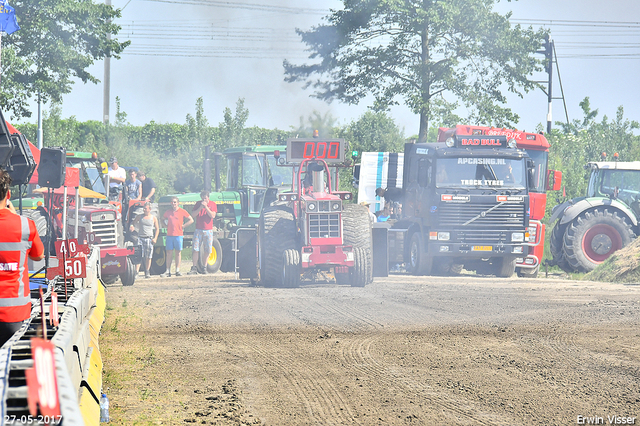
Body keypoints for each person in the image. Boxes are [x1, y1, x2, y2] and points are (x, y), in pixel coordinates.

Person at [0, 169, 44, 347]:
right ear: (8, 194)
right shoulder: (26, 225)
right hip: (15, 317)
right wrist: (15, 216)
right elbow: (39, 255)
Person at [160, 197, 194, 277]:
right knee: (169, 253)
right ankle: (168, 270)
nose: (173, 204)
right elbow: (162, 219)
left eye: (175, 202)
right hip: (169, 235)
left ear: (178, 203)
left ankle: (177, 270)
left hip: (178, 235)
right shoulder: (168, 212)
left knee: (178, 253)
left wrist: (183, 226)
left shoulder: (182, 211)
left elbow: (191, 220)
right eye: (172, 202)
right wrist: (165, 226)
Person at [188, 191, 217, 275]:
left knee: (207, 249)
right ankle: (194, 267)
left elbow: (212, 215)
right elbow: (193, 215)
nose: (204, 200)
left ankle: (204, 267)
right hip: (198, 230)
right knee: (195, 249)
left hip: (208, 230)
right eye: (202, 198)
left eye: (205, 198)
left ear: (208, 198)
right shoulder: (198, 204)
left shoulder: (213, 204)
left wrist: (206, 207)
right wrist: (200, 207)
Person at [130, 202, 159, 278]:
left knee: (148, 256)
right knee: (139, 255)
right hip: (140, 238)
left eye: (145, 208)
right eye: (144, 208)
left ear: (150, 209)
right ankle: (136, 272)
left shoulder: (153, 218)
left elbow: (157, 229)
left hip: (149, 238)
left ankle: (147, 271)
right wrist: (132, 226)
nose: (144, 210)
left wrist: (155, 238)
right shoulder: (140, 217)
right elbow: (133, 222)